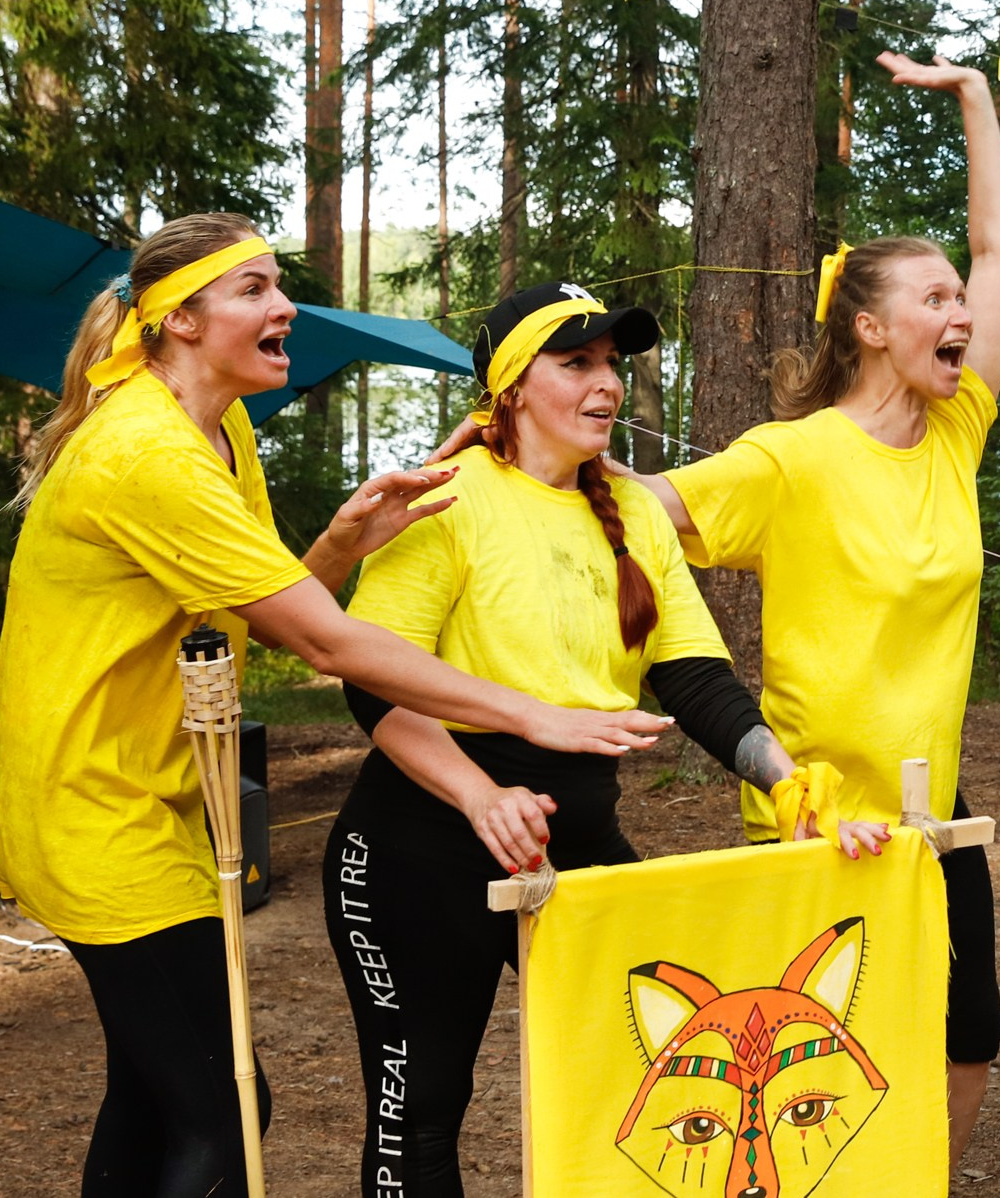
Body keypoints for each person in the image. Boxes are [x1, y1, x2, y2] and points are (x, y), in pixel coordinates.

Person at [0, 216, 672, 1198]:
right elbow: (328, 643)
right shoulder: (146, 452)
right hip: (91, 809)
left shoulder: (215, 427)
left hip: (149, 796)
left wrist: (346, 540)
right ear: (180, 319)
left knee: (152, 1094)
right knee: (223, 1106)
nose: (285, 308)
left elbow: (263, 617)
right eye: (256, 289)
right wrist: (531, 716)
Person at [324, 281, 887, 1198]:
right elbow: (370, 681)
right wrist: (480, 794)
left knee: (657, 1078)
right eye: (576, 362)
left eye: (614, 366)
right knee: (423, 1100)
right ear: (510, 387)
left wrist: (786, 780)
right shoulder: (442, 499)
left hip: (576, 841)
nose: (607, 384)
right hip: (419, 845)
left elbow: (696, 681)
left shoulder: (630, 516)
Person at [616, 51, 1000, 1164]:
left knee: (965, 1026)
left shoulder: (956, 430)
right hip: (811, 817)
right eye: (931, 298)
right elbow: (633, 504)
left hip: (934, 807)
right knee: (821, 1048)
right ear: (870, 328)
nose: (959, 311)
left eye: (957, 299)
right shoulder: (784, 462)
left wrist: (973, 101)